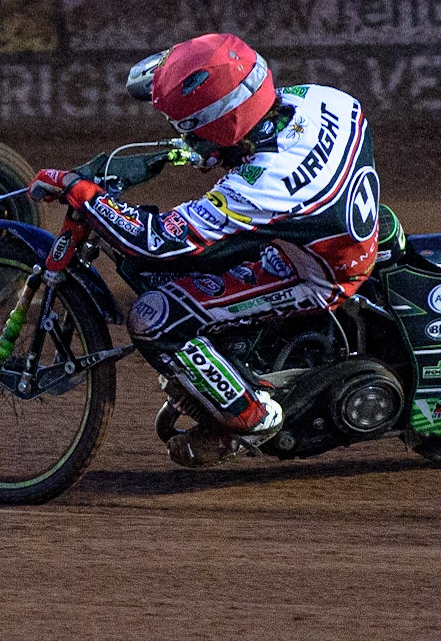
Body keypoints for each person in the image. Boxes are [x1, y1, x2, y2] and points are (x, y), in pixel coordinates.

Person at [27, 33, 380, 467]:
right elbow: (241, 142)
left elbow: (157, 240)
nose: (185, 137)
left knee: (154, 318)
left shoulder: (264, 184)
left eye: (188, 128)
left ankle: (254, 418)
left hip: (316, 275)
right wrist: (192, 153)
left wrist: (80, 191)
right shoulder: (322, 99)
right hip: (340, 227)